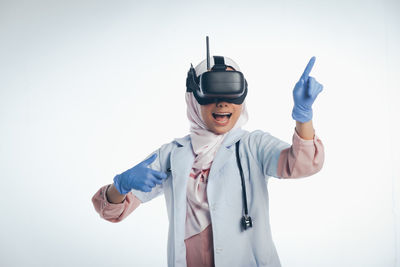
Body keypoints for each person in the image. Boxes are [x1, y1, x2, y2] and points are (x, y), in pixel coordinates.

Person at [92, 55, 324, 267]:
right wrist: (120, 186)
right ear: (194, 98)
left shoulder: (254, 145)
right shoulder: (172, 154)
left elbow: (302, 164)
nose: (222, 103)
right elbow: (111, 211)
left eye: (231, 92)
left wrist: (304, 116)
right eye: (212, 93)